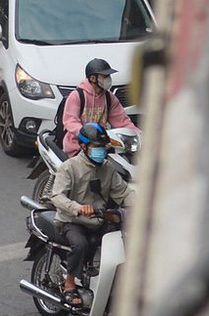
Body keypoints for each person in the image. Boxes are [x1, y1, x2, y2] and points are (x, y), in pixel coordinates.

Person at [49, 123, 130, 300]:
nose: (100, 151)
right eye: (96, 147)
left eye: (103, 147)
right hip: (72, 221)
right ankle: (69, 284)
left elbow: (123, 193)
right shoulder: (69, 167)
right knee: (80, 244)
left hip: (98, 220)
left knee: (121, 238)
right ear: (83, 146)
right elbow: (57, 196)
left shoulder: (108, 168)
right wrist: (78, 208)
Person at [60, 58, 135, 155]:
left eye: (109, 76)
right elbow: (70, 121)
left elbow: (122, 121)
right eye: (105, 76)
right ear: (92, 78)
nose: (108, 79)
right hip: (78, 147)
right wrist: (87, 134)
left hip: (102, 145)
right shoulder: (77, 95)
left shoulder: (109, 97)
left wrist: (137, 134)